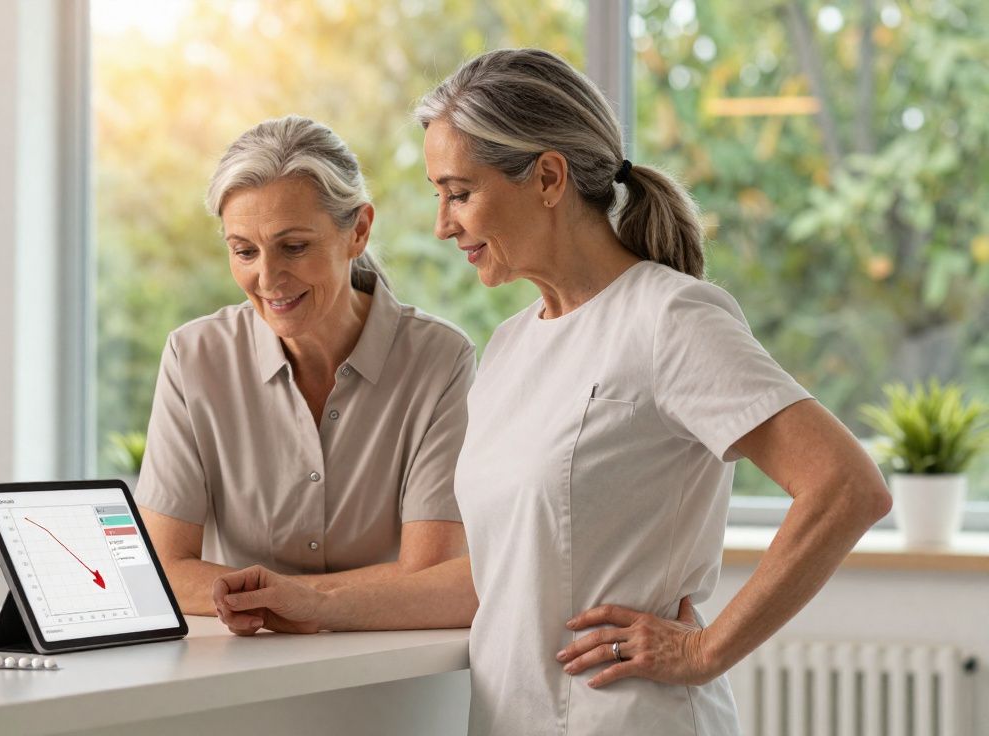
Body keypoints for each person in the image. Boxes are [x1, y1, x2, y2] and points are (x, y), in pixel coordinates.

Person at [213, 49, 892, 735]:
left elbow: (846, 485)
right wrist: (311, 602)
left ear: (546, 177)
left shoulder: (669, 318)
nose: (442, 224)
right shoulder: (510, 347)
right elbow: (497, 578)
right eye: (438, 193)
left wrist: (705, 650)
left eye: (459, 192)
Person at [136, 116, 477, 626]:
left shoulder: (440, 360)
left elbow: (430, 572)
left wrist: (292, 600)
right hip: (237, 672)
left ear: (358, 230)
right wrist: (300, 600)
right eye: (244, 251)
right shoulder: (194, 358)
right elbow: (161, 567)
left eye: (294, 246)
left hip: (393, 675)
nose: (268, 278)